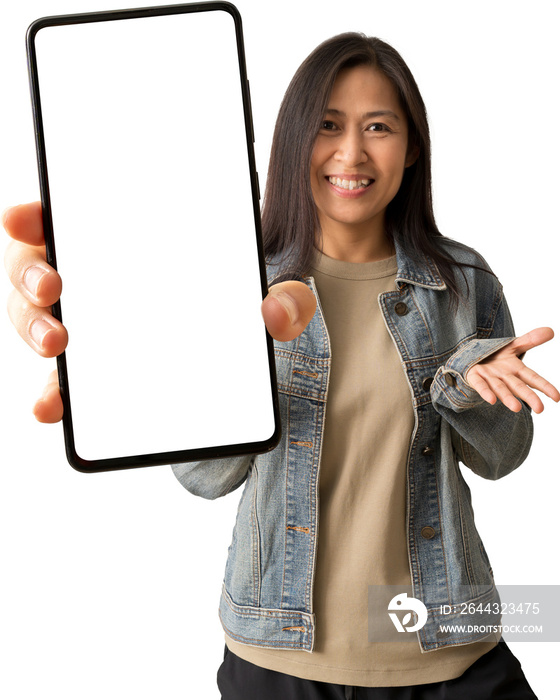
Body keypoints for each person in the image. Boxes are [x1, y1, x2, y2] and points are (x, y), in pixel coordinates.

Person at [4, 32, 559, 700]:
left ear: (412, 148)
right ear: (296, 142)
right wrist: (174, 368)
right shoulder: (234, 282)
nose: (351, 153)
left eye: (378, 127)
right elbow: (206, 479)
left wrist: (468, 387)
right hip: (280, 661)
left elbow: (504, 459)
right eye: (328, 126)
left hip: (449, 653)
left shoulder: (462, 284)